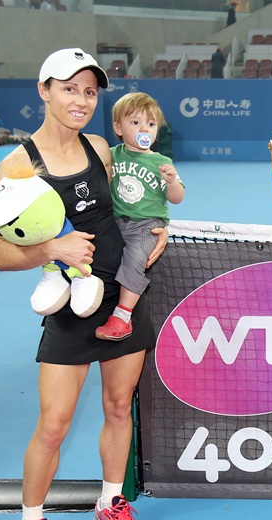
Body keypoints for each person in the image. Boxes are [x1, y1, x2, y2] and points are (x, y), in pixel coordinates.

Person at [0, 48, 168, 520]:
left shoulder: (98, 147)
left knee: (118, 407)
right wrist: (52, 252)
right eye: (69, 88)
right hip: (69, 306)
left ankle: (110, 503)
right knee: (54, 425)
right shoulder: (19, 164)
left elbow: (125, 211)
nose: (81, 100)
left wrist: (152, 236)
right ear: (44, 91)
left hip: (121, 297)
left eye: (90, 91)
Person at [95, 92, 184, 341]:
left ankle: (122, 316)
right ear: (118, 127)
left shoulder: (162, 162)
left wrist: (172, 181)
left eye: (151, 124)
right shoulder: (112, 154)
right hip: (114, 222)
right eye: (135, 123)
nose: (144, 129)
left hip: (146, 226)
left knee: (135, 259)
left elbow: (177, 198)